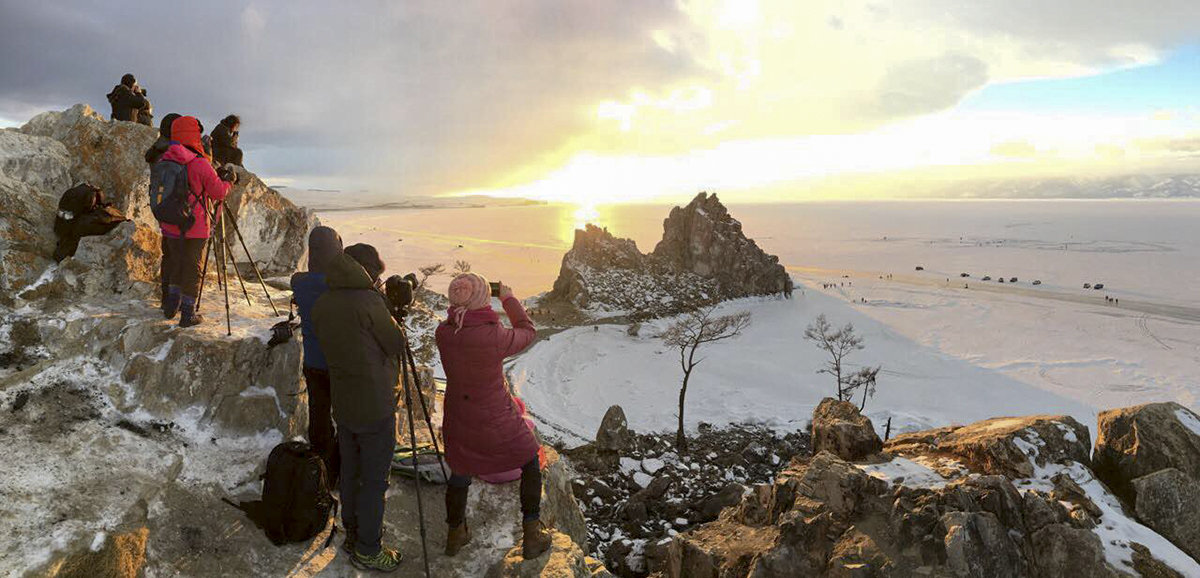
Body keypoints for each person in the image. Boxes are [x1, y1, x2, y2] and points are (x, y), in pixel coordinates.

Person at [436, 273, 551, 559]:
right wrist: (509, 298)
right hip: (494, 417)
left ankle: (455, 534)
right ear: (483, 298)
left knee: (460, 468)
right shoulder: (494, 336)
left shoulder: (444, 333)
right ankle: (532, 533)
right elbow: (528, 330)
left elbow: (464, 325)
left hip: (458, 417)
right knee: (530, 459)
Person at [311, 248, 405, 572]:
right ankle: (369, 548)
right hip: (376, 403)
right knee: (375, 480)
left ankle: (352, 532)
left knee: (351, 471)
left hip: (345, 401)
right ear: (365, 271)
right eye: (375, 273)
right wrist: (393, 310)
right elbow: (395, 344)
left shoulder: (323, 303)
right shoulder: (369, 303)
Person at [155, 115, 236, 326]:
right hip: (194, 225)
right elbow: (218, 192)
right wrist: (228, 183)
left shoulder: (165, 159)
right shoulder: (199, 163)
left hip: (170, 223)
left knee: (176, 263)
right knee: (193, 267)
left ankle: (171, 305)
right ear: (194, 135)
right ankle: (188, 313)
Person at [290, 226, 344, 486]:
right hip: (339, 363)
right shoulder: (339, 285)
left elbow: (296, 281)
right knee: (344, 415)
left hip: (313, 361)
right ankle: (339, 467)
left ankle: (321, 465)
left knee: (319, 413)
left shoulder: (300, 283)